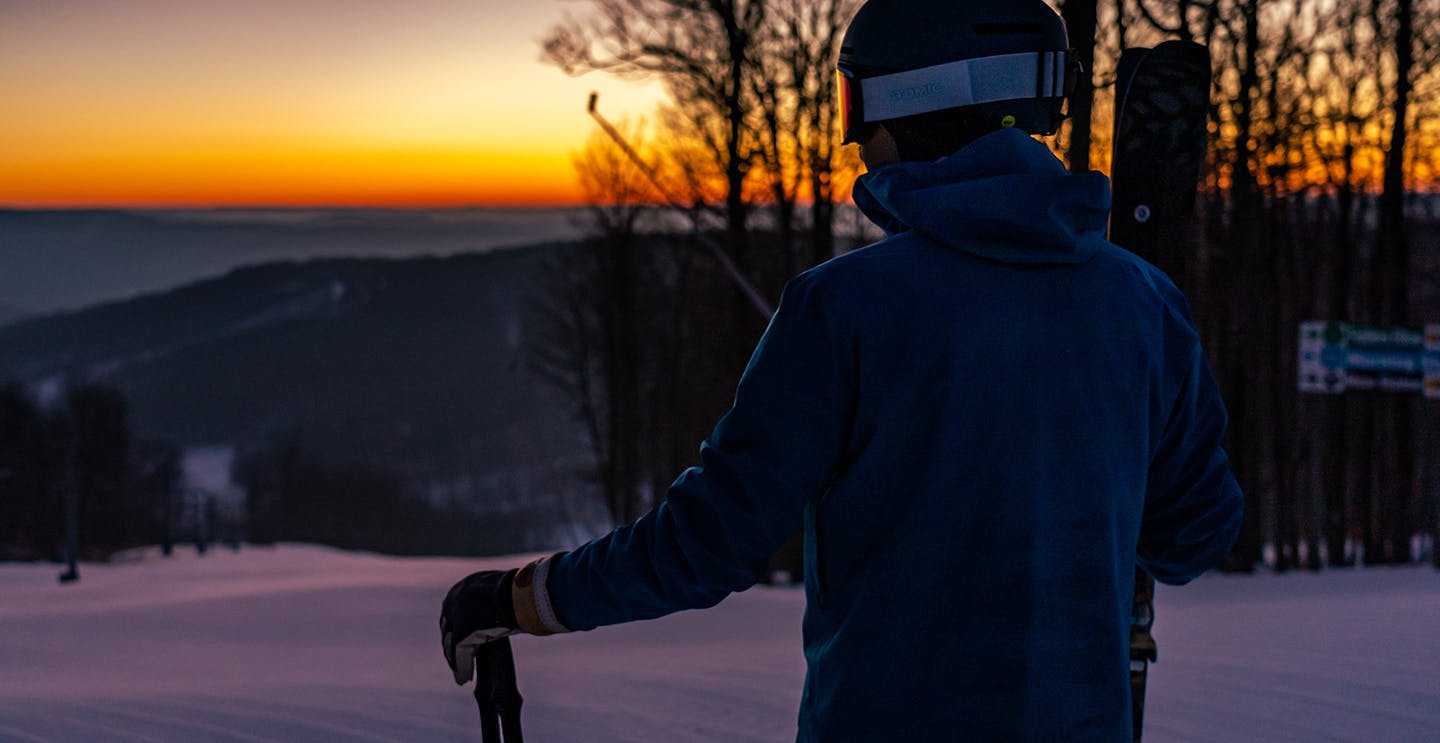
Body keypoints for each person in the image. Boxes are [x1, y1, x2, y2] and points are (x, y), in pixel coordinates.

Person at [440, 0, 1244, 739]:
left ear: (915, 103)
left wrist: (523, 597)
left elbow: (708, 541)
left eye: (858, 104)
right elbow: (1194, 536)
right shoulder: (1144, 303)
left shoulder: (845, 308)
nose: (855, 137)